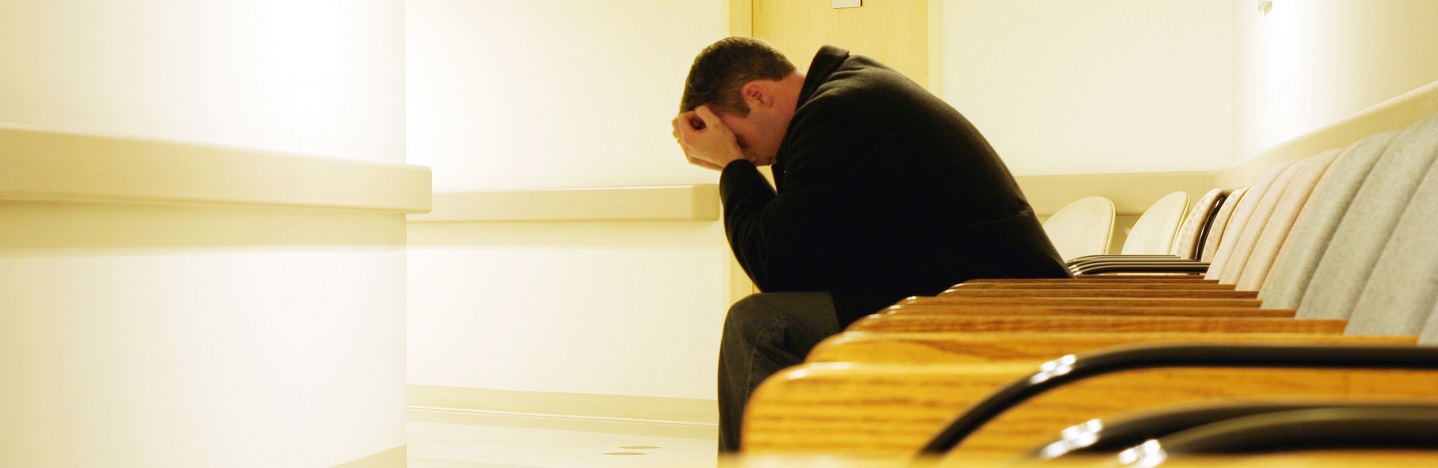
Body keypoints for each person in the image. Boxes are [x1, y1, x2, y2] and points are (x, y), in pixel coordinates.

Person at [671, 37, 1070, 453]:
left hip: (993, 308)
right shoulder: (850, 95)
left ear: (757, 95)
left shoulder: (836, 113)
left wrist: (732, 169)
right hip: (970, 294)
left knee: (759, 326)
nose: (745, 153)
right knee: (778, 319)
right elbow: (805, 258)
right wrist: (738, 161)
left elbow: (775, 267)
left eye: (737, 138)